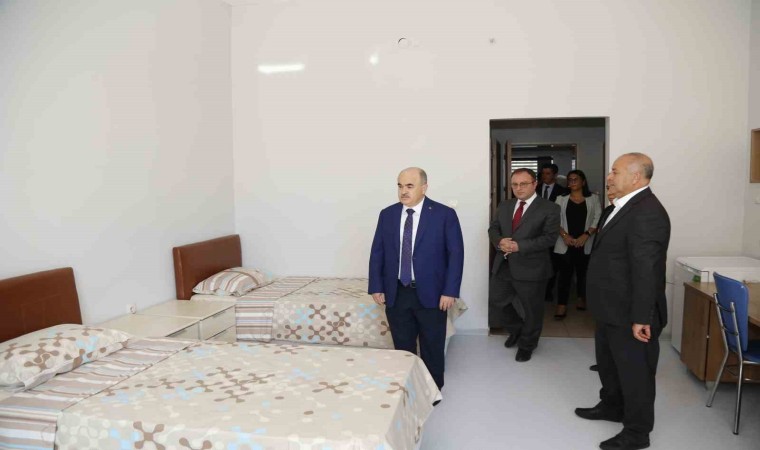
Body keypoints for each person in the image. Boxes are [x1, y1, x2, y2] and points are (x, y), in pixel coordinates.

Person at [575, 153, 670, 450]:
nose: (609, 177)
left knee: (636, 374)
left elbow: (647, 270)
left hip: (631, 313)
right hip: (610, 307)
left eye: (615, 172)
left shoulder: (647, 212)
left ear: (636, 176)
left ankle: (637, 432)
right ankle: (612, 406)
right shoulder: (617, 207)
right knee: (609, 364)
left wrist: (642, 317)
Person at [369, 167, 464, 390]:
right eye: (400, 186)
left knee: (432, 345)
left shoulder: (443, 214)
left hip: (433, 293)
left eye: (410, 186)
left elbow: (456, 255)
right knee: (403, 347)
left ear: (424, 187)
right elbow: (377, 252)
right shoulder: (388, 214)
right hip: (397, 291)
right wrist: (376, 285)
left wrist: (450, 291)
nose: (403, 191)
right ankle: (408, 389)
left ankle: (432, 390)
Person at [488, 168, 560, 362]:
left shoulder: (550, 208)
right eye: (514, 184)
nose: (518, 188)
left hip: (532, 268)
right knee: (497, 301)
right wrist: (499, 241)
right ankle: (517, 330)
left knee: (532, 310)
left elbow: (549, 238)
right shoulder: (505, 205)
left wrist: (519, 246)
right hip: (503, 265)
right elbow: (493, 228)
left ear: (534, 184)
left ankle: (527, 345)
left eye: (523, 184)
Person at [552, 170, 602, 319]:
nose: (572, 182)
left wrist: (586, 235)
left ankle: (581, 297)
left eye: (576, 179)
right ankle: (561, 305)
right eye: (570, 179)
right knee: (564, 275)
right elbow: (554, 219)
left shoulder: (593, 198)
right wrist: (564, 235)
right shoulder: (561, 198)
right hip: (565, 242)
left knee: (583, 273)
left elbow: (598, 218)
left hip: (585, 242)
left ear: (583, 182)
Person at [537, 163, 570, 303]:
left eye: (548, 173)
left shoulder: (563, 191)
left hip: (554, 232)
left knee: (552, 263)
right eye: (543, 173)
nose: (545, 176)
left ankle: (548, 291)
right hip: (536, 231)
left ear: (555, 175)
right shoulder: (535, 189)